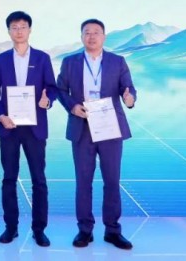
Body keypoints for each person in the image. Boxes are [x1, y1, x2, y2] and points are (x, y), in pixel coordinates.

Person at [56, 18, 137, 250]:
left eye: (96, 32)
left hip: (110, 127)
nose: (91, 36)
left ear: (104, 36)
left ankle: (112, 230)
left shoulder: (117, 61)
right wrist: (72, 106)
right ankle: (85, 230)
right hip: (82, 127)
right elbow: (60, 89)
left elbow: (128, 88)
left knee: (112, 180)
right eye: (87, 32)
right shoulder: (70, 62)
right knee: (84, 181)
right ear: (81, 36)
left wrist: (130, 99)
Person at [0, 11, 57, 246]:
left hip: (35, 128)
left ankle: (39, 229)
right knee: (9, 179)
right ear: (9, 31)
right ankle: (11, 228)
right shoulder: (1, 59)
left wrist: (47, 100)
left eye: (23, 27)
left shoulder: (42, 58)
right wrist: (1, 116)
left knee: (39, 180)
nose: (19, 31)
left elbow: (52, 88)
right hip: (9, 127)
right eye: (14, 27)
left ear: (30, 30)